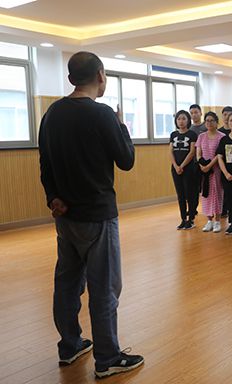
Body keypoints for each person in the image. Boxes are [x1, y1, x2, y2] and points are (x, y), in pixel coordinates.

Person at [38, 51, 143, 379]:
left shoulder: (52, 113)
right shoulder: (103, 114)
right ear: (100, 76)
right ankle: (108, 357)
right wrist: (122, 124)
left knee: (67, 282)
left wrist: (53, 197)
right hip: (98, 216)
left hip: (65, 216)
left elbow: (45, 162)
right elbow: (126, 160)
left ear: (71, 79)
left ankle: (70, 345)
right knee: (104, 287)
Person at [196, 111, 225, 232]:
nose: (209, 123)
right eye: (207, 121)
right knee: (205, 194)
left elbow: (219, 155)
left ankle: (217, 221)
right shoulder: (201, 136)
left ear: (217, 122)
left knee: (217, 193)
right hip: (204, 170)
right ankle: (209, 220)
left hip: (216, 169)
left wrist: (209, 165)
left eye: (212, 120)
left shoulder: (221, 136)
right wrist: (202, 165)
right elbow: (198, 153)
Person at [169, 110, 199, 229]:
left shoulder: (192, 134)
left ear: (188, 120)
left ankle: (191, 219)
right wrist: (176, 166)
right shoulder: (173, 135)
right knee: (180, 194)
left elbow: (192, 152)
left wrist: (182, 166)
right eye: (179, 119)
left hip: (189, 168)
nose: (181, 121)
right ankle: (183, 219)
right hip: (175, 169)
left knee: (189, 194)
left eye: (183, 118)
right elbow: (170, 152)